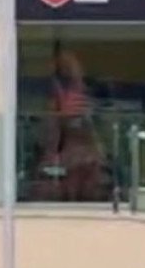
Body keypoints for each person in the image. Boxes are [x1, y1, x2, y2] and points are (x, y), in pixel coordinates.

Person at [35, 50, 107, 201]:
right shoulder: (53, 105)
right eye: (68, 78)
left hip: (86, 163)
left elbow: (100, 144)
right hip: (62, 166)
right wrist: (59, 116)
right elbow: (47, 143)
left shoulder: (89, 104)